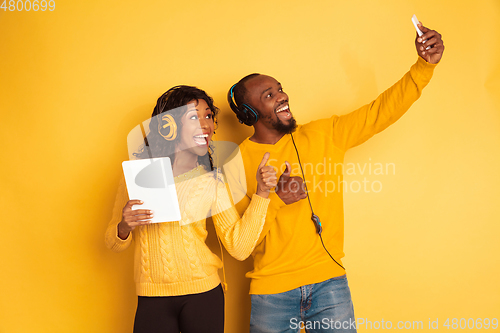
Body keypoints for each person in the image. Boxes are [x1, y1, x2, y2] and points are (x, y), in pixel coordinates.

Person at [226, 23, 444, 332]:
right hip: (271, 292)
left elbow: (380, 111)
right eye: (269, 94)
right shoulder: (234, 163)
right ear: (249, 112)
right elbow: (242, 243)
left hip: (330, 284)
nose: (282, 95)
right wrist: (274, 200)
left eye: (280, 88)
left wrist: (424, 67)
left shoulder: (324, 134)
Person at [105, 85, 277, 333]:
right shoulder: (137, 176)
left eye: (208, 116)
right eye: (194, 117)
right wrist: (124, 227)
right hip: (151, 296)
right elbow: (112, 241)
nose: (206, 124)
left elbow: (239, 247)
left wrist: (262, 193)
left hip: (203, 294)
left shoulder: (212, 182)